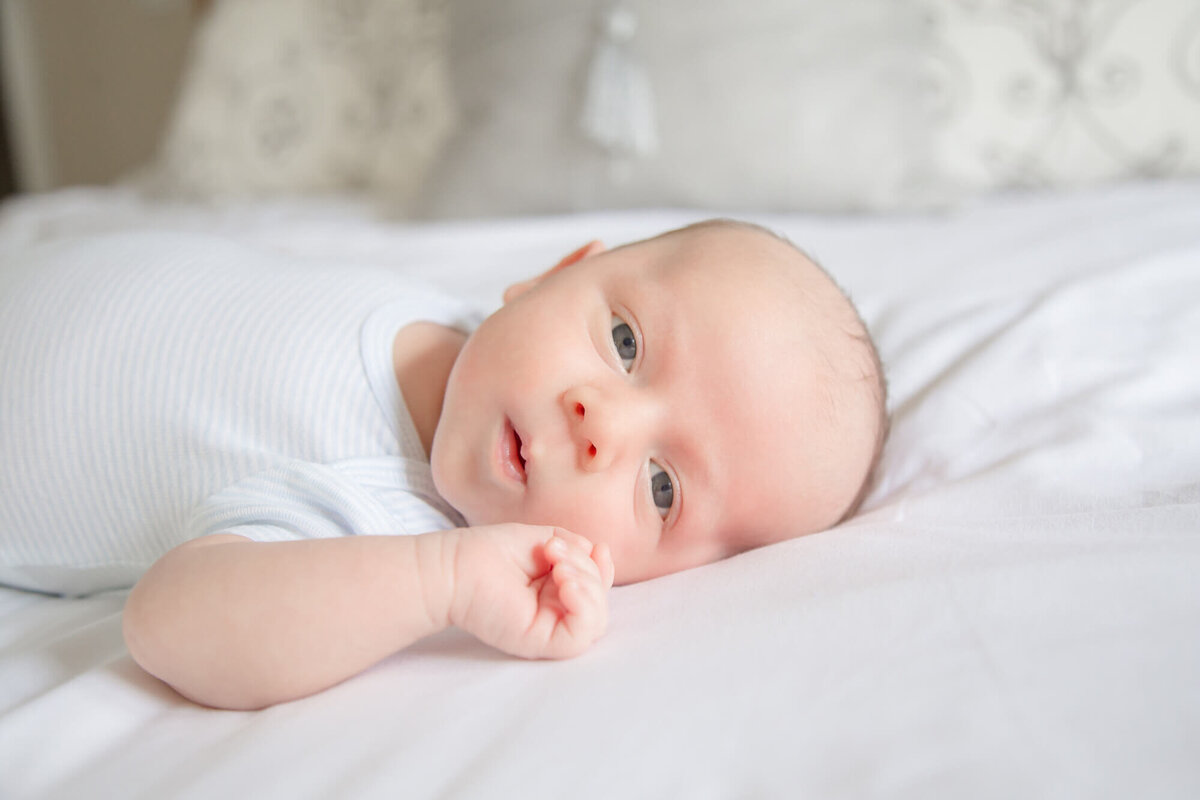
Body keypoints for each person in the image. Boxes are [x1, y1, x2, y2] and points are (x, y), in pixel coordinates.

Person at [0, 219, 886, 709]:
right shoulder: (471, 331)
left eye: (661, 486)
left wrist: (441, 580)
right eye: (623, 341)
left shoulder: (378, 524)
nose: (598, 422)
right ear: (553, 272)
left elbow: (170, 624)